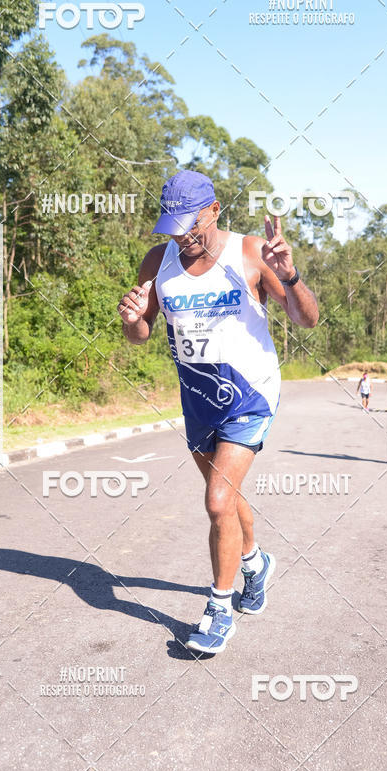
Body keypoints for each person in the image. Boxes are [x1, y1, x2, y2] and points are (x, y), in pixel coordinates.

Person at [117, 170, 319, 653]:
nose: (182, 237)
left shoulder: (249, 253)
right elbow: (141, 334)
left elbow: (306, 319)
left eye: (191, 225)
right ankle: (255, 563)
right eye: (173, 228)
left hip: (251, 393)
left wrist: (289, 275)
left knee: (216, 500)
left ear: (215, 210)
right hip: (198, 397)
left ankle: (218, 610)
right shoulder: (157, 261)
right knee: (225, 495)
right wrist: (132, 320)